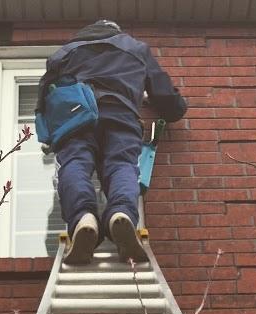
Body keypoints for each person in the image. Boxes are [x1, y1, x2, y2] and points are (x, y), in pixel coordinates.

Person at [37, 20, 188, 264]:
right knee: (121, 164)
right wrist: (175, 107)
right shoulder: (135, 48)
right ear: (117, 32)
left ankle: (83, 217)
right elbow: (165, 95)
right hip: (121, 113)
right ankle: (121, 212)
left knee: (75, 163)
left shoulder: (63, 53)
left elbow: (45, 97)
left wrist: (48, 135)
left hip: (76, 116)